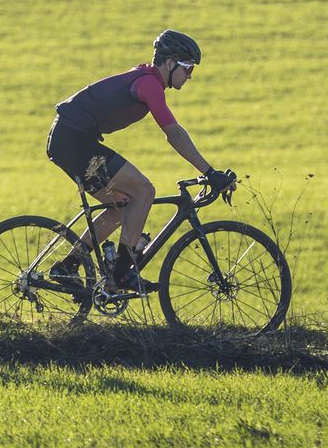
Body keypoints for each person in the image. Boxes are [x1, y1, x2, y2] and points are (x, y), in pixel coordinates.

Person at [46, 30, 231, 294]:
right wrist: (210, 172)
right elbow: (174, 133)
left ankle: (68, 267)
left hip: (70, 140)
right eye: (188, 68)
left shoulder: (147, 80)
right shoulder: (149, 84)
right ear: (169, 63)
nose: (190, 76)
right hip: (74, 140)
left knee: (121, 206)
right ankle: (122, 274)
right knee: (144, 190)